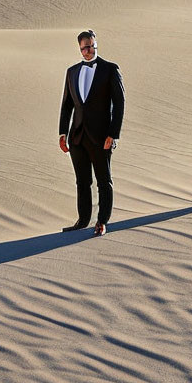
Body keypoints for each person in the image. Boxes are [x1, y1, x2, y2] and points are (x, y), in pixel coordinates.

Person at [58, 29, 125, 235]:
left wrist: (113, 134)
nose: (88, 50)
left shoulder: (110, 69)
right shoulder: (72, 72)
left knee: (104, 180)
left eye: (91, 45)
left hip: (101, 136)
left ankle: (102, 221)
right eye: (84, 47)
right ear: (79, 48)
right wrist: (62, 133)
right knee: (82, 181)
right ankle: (82, 220)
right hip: (77, 136)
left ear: (96, 44)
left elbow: (119, 103)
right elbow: (67, 105)